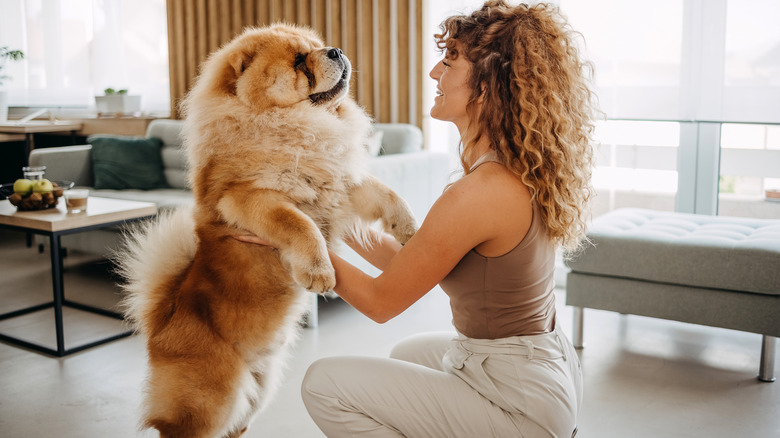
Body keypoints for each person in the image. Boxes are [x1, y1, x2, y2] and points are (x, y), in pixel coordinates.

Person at [239, 1, 597, 436]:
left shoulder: (481, 193)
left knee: (324, 384)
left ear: (487, 86)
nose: (433, 74)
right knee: (409, 353)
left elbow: (381, 301)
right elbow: (410, 266)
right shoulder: (509, 167)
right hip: (534, 366)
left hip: (522, 399)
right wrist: (325, 208)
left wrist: (294, 243)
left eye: (449, 62)